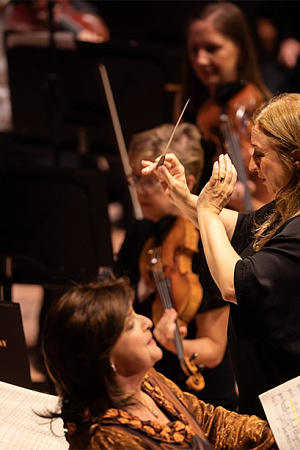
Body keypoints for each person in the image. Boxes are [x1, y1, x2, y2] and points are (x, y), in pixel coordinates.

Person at [141, 92, 300, 420]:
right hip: (265, 395)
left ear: (296, 157)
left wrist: (210, 210)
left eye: (260, 155)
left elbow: (234, 283)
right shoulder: (289, 204)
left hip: (287, 404)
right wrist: (182, 197)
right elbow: (240, 227)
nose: (253, 167)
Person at [42, 275, 277, 449]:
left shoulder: (147, 381)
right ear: (104, 354)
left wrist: (275, 436)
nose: (146, 321)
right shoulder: (109, 440)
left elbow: (210, 421)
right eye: (130, 324)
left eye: (136, 313)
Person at [114, 122, 238, 411]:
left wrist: (175, 345)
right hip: (145, 387)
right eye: (136, 179)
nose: (140, 191)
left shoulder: (208, 247)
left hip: (198, 400)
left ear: (187, 183)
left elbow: (214, 349)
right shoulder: (139, 231)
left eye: (151, 181)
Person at [175, 1, 274, 211]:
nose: (200, 60)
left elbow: (272, 211)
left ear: (239, 49)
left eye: (212, 48)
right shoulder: (186, 104)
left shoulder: (258, 110)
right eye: (194, 50)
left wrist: (244, 202)